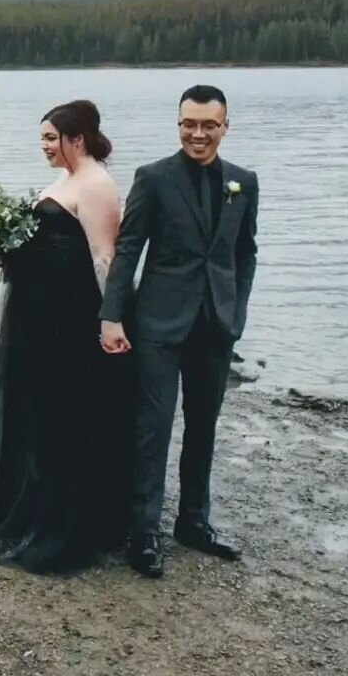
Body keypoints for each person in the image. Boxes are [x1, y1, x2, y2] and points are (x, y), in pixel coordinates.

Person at [0, 100, 133, 573]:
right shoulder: (66, 181)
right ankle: (30, 500)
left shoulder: (98, 184)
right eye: (42, 138)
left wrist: (112, 320)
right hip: (43, 312)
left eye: (49, 138)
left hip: (72, 317)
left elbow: (105, 257)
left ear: (76, 138)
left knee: (67, 411)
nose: (43, 147)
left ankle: (69, 519)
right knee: (39, 407)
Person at [100, 85, 259, 579]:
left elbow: (244, 253)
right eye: (189, 123)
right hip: (159, 325)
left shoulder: (243, 183)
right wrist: (111, 316)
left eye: (208, 124)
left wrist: (237, 310)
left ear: (225, 126)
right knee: (153, 427)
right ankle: (144, 532)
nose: (198, 133)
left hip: (216, 326)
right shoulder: (153, 178)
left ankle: (194, 522)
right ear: (179, 125)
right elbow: (128, 252)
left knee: (204, 426)